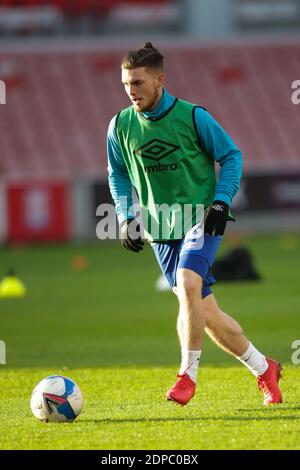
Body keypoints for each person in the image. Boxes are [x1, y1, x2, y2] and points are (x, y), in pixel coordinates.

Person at [107, 42, 282, 406]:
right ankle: (265, 369)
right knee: (206, 313)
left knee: (188, 283)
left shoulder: (193, 117)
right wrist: (124, 217)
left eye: (138, 83)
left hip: (200, 219)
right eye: (126, 85)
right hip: (160, 230)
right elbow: (118, 174)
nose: (131, 91)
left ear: (160, 80)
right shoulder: (120, 126)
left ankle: (187, 376)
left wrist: (220, 201)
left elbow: (231, 156)